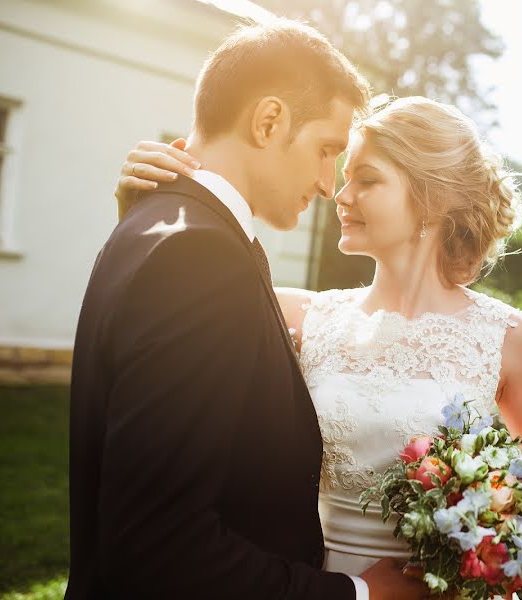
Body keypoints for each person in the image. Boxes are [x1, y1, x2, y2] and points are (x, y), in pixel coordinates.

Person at [115, 95, 522, 578]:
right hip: (308, 582)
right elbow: (166, 297)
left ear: (433, 200)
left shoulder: (502, 334)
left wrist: (477, 533)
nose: (340, 194)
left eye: (368, 179)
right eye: (345, 175)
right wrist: (145, 211)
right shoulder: (299, 314)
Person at [67, 19, 425, 600]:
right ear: (269, 121)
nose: (329, 183)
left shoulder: (158, 224)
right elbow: (159, 545)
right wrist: (358, 595)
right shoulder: (198, 255)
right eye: (327, 149)